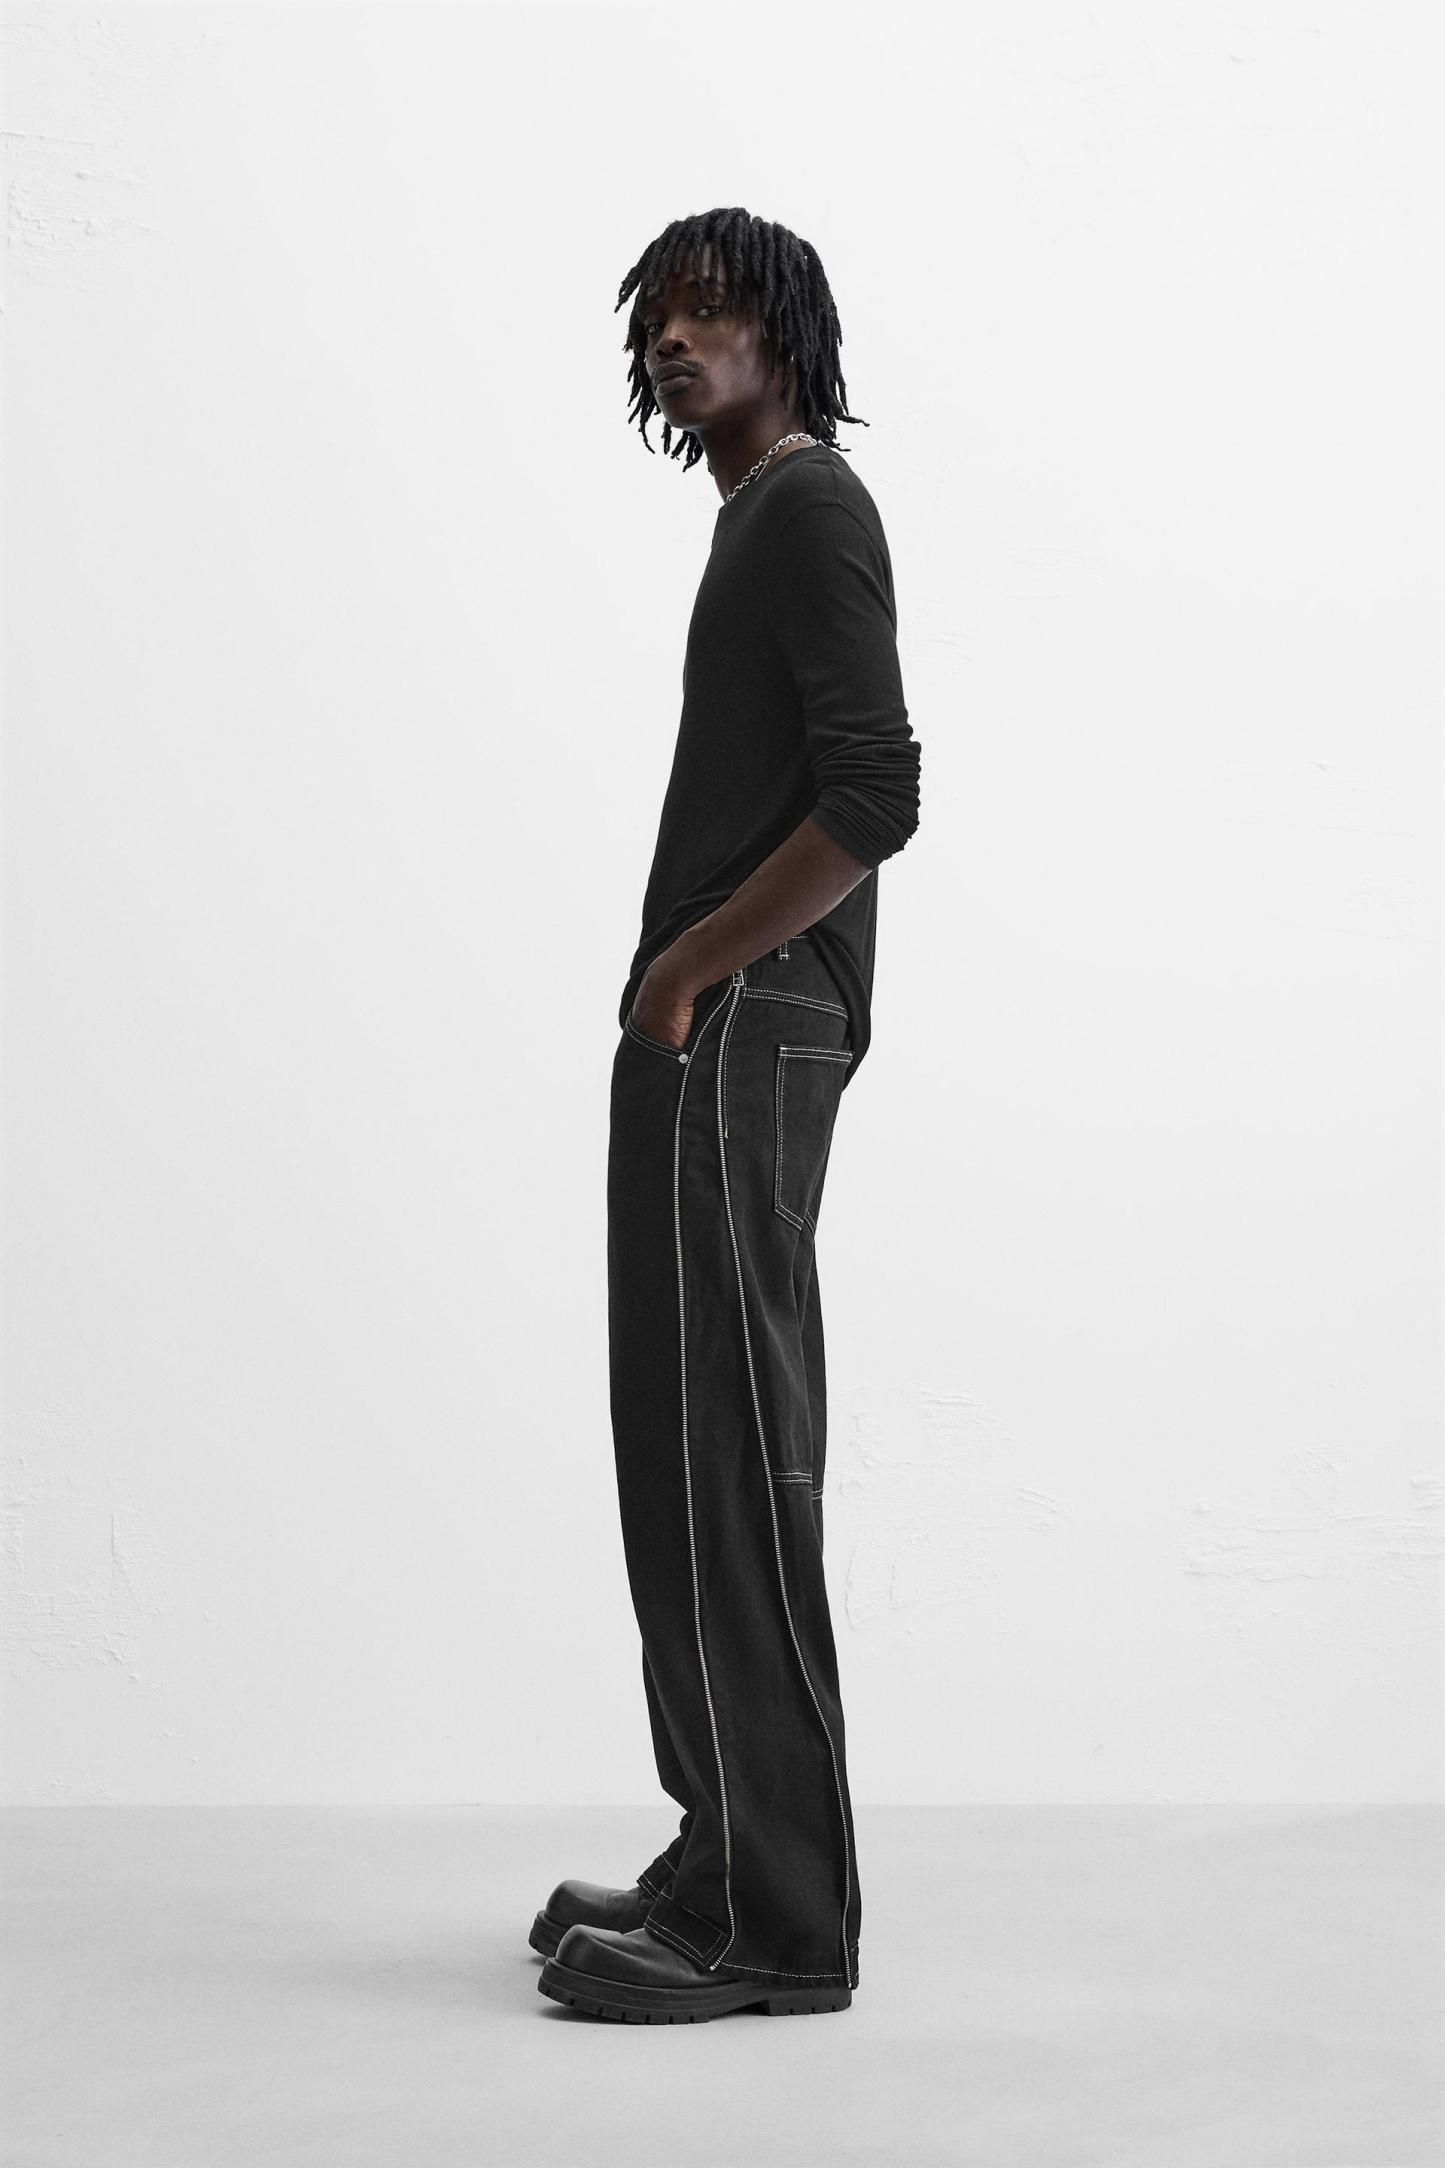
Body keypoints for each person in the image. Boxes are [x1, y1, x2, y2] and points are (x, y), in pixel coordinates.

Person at [534, 207, 922, 2024]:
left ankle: (778, 1923)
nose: (676, 342)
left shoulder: (809, 507)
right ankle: (721, 1844)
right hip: (717, 1025)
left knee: (731, 1448)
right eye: (658, 323)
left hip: (746, 1019)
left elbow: (875, 794)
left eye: (710, 313)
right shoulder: (756, 515)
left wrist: (690, 970)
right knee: (677, 1446)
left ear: (785, 332)